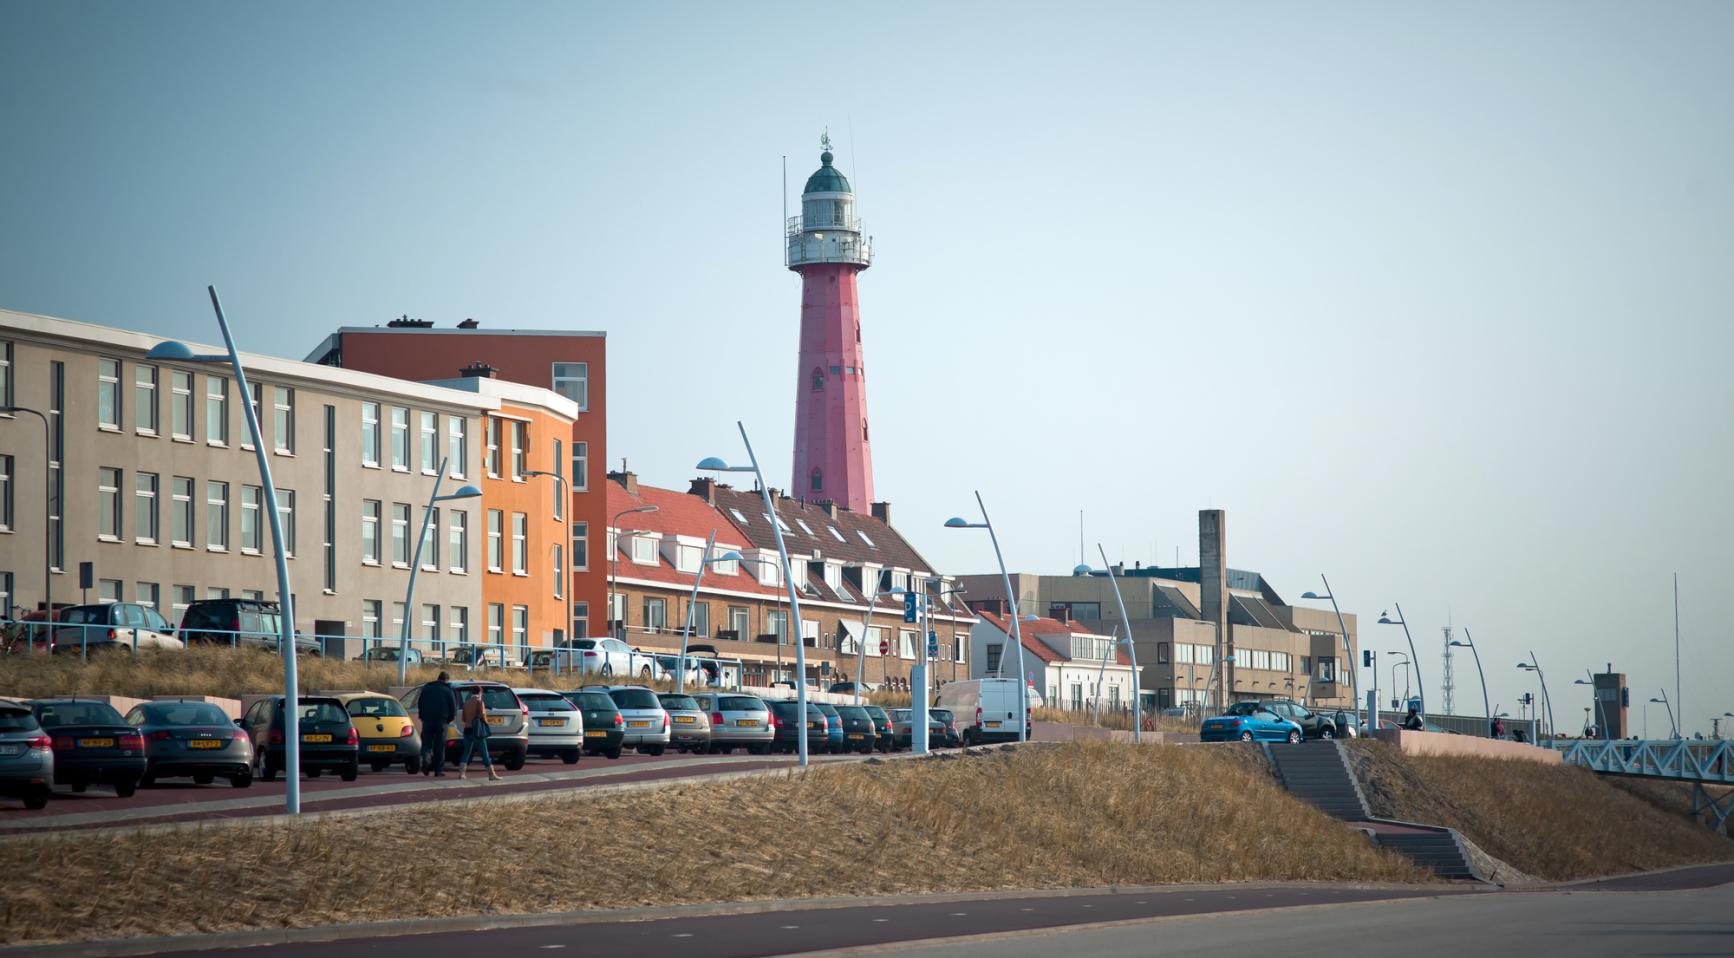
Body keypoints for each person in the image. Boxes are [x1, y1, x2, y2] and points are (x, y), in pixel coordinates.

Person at [417, 671, 459, 777]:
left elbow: (420, 704)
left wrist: (422, 717)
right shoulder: (448, 690)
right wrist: (449, 719)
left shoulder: (426, 689)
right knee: (439, 746)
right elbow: (453, 707)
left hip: (427, 721)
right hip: (442, 721)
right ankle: (438, 770)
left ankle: (426, 759)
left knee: (426, 744)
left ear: (438, 678)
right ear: (446, 680)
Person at [457, 687, 501, 781]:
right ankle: (491, 774)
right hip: (477, 730)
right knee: (484, 752)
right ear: (480, 692)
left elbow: (463, 718)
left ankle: (462, 774)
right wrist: (486, 723)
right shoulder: (480, 702)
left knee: (466, 752)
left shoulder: (466, 703)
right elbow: (482, 715)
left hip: (467, 730)